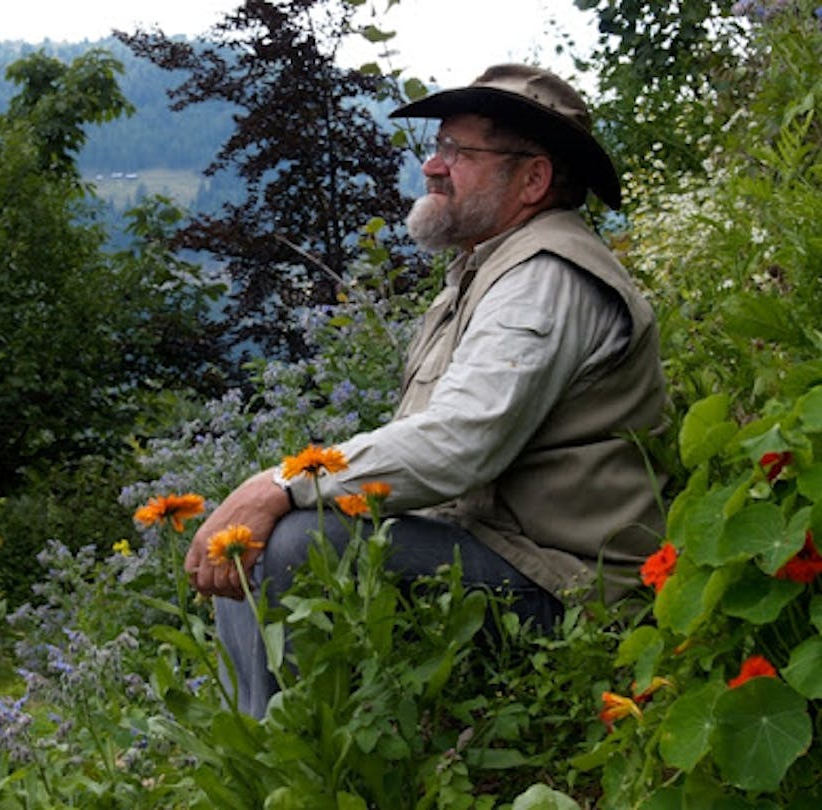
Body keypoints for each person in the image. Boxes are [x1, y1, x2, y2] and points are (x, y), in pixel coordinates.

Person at [184, 63, 667, 718]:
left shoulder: (544, 276)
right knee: (274, 534)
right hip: (506, 559)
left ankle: (280, 761)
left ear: (534, 178)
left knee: (292, 541)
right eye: (438, 147)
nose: (433, 168)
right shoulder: (491, 268)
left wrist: (281, 484)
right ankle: (258, 749)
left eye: (458, 152)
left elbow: (460, 444)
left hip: (569, 592)